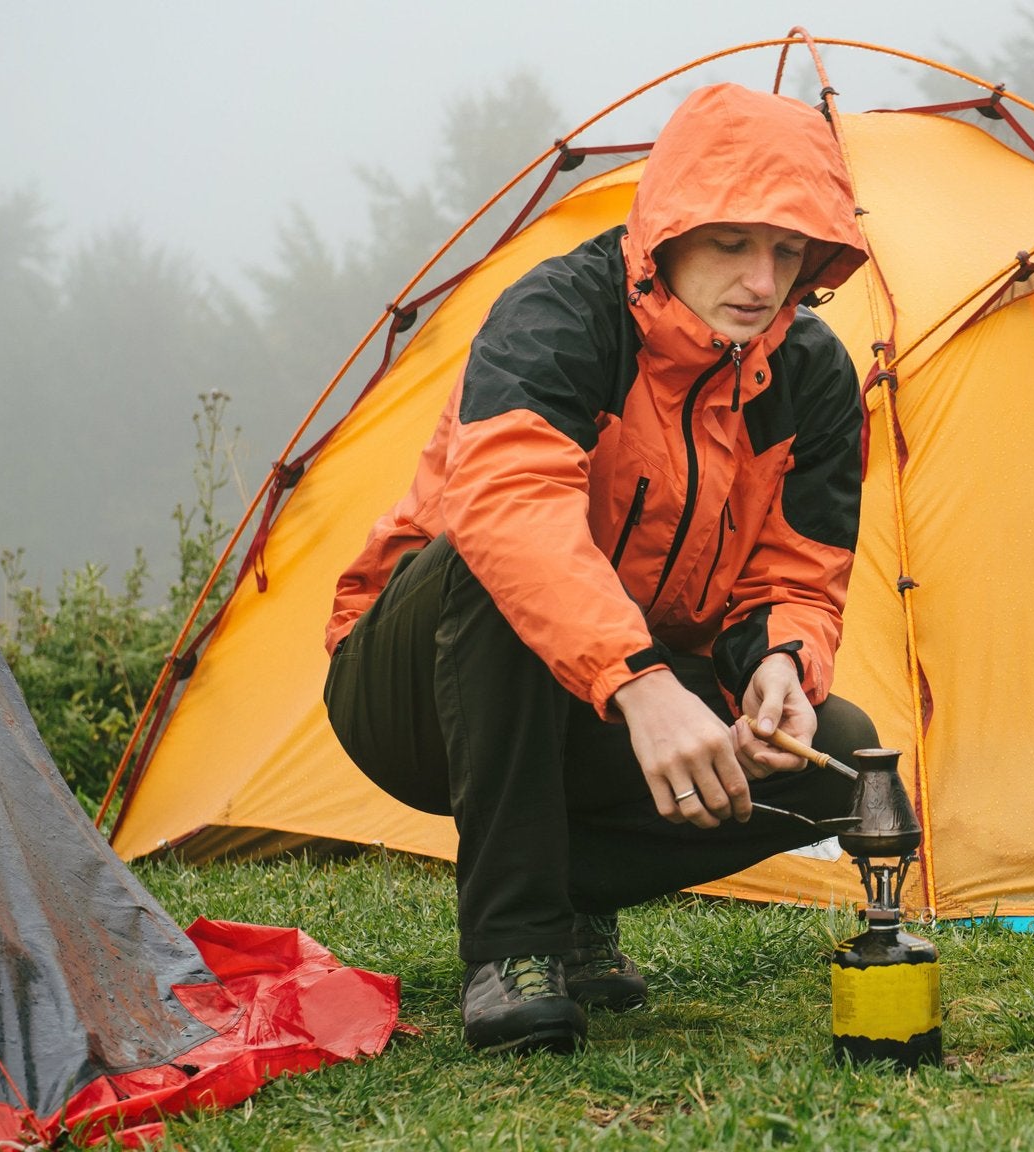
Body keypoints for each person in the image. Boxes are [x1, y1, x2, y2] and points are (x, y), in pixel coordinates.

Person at [321, 82, 878, 1055]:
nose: (762, 278)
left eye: (788, 251)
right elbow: (506, 506)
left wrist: (776, 668)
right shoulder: (560, 315)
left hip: (607, 694)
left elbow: (799, 568)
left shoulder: (811, 372)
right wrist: (640, 682)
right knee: (491, 564)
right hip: (419, 687)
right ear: (668, 230)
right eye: (733, 242)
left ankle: (562, 891)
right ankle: (516, 946)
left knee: (838, 756)